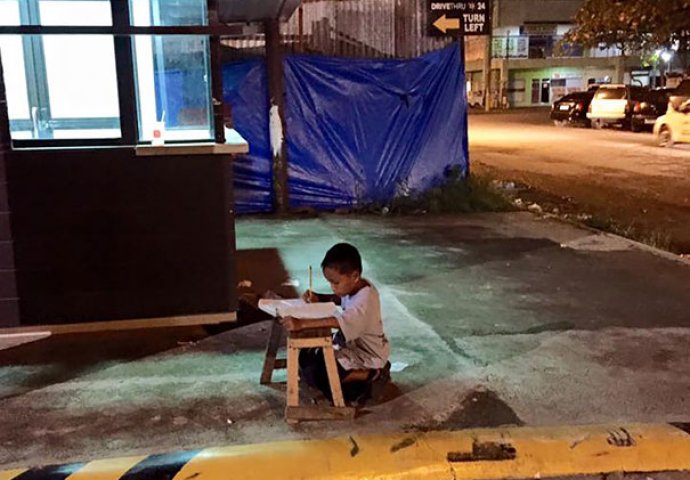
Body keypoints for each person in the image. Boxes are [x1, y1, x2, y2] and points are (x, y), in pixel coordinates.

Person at [280, 243, 390, 404]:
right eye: (330, 282)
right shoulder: (356, 286)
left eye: (336, 283)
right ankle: (353, 377)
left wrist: (301, 323)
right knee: (305, 356)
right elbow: (340, 298)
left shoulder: (365, 302)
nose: (333, 287)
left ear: (355, 275)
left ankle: (373, 374)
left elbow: (338, 321)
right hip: (350, 346)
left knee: (328, 382)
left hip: (367, 356)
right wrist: (319, 297)